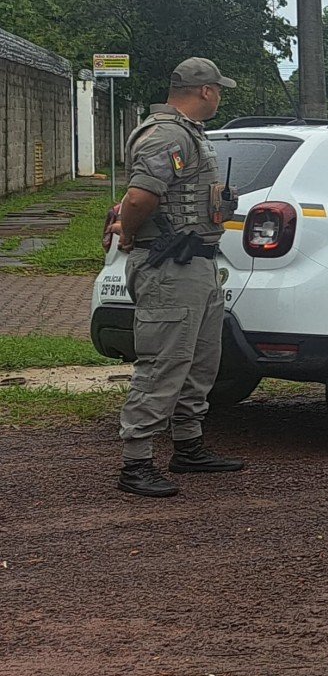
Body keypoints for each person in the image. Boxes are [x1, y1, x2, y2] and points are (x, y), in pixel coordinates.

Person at [106, 57, 247, 497]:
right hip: (170, 267)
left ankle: (188, 446)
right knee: (162, 363)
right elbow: (140, 195)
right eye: (218, 88)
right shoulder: (166, 133)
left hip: (197, 264)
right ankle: (136, 463)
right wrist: (127, 232)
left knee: (200, 361)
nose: (220, 95)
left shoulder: (190, 134)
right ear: (204, 90)